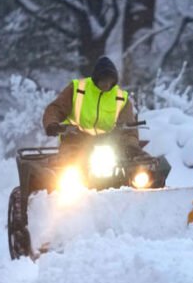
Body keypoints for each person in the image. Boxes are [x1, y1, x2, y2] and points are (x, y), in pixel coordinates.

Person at [42, 56, 170, 186]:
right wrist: (52, 124)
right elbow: (56, 108)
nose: (106, 84)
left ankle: (146, 192)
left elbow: (129, 128)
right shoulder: (77, 89)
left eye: (110, 80)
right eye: (103, 79)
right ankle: (53, 195)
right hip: (76, 140)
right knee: (63, 172)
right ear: (95, 78)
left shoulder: (121, 98)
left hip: (111, 143)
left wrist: (131, 145)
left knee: (143, 166)